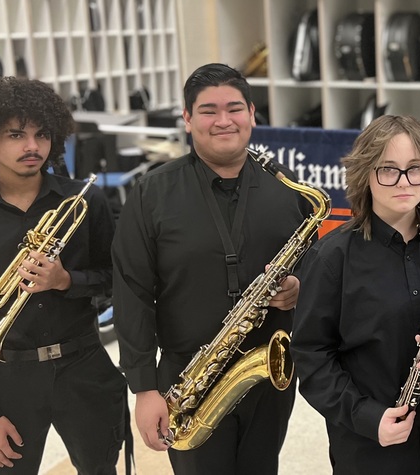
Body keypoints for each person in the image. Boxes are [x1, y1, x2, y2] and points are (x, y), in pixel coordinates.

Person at [111, 63, 308, 475]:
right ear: (187, 118)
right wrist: (144, 388)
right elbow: (131, 293)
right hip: (187, 378)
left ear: (253, 114)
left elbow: (315, 265)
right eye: (208, 110)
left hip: (267, 369)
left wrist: (298, 285)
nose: (223, 121)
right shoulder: (151, 194)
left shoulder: (287, 188)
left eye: (235, 108)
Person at [0, 77, 126, 474]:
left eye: (41, 134)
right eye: (15, 134)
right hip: (4, 379)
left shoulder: (84, 201)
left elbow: (118, 281)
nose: (32, 146)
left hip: (83, 366)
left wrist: (66, 281)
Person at [290, 115, 420, 474]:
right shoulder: (331, 257)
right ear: (365, 174)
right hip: (371, 450)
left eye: (415, 169)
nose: (404, 182)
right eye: (388, 169)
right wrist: (367, 417)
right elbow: (312, 357)